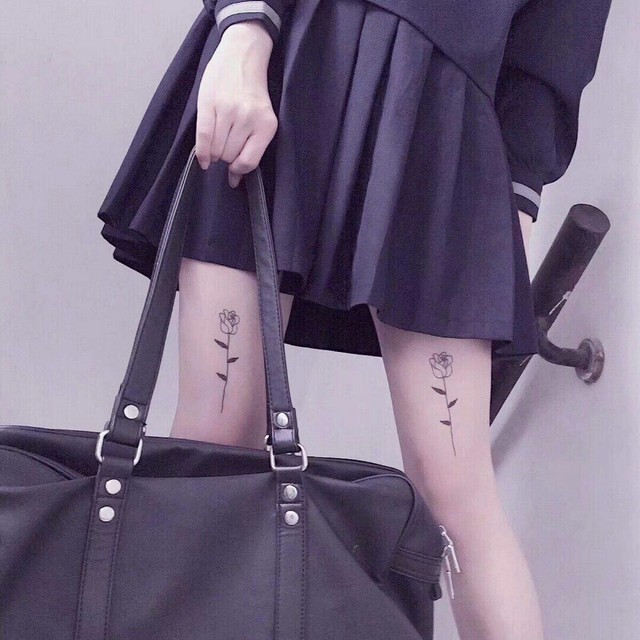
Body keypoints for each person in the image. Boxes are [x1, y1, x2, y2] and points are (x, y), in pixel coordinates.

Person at [97, 1, 613, 637]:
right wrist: (244, 26)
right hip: (289, 57)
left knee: (455, 494)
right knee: (215, 440)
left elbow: (559, 36)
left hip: (444, 120)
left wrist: (519, 194)